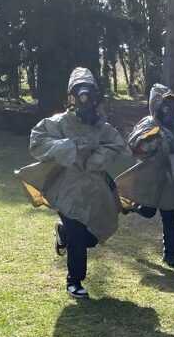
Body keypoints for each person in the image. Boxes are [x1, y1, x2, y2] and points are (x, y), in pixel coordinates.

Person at [17, 68, 127, 299]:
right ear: (71, 96)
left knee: (92, 236)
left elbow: (116, 144)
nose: (84, 98)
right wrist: (68, 147)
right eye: (79, 92)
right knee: (77, 233)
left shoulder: (102, 126)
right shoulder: (59, 122)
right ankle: (74, 281)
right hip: (65, 187)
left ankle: (63, 233)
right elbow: (37, 141)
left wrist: (96, 158)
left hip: (94, 188)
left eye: (89, 93)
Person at [115, 85, 174, 267]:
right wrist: (156, 139)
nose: (168, 111)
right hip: (152, 175)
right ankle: (131, 206)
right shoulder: (149, 123)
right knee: (148, 211)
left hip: (170, 177)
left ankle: (170, 253)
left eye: (171, 107)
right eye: (165, 106)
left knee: (168, 214)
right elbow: (136, 144)